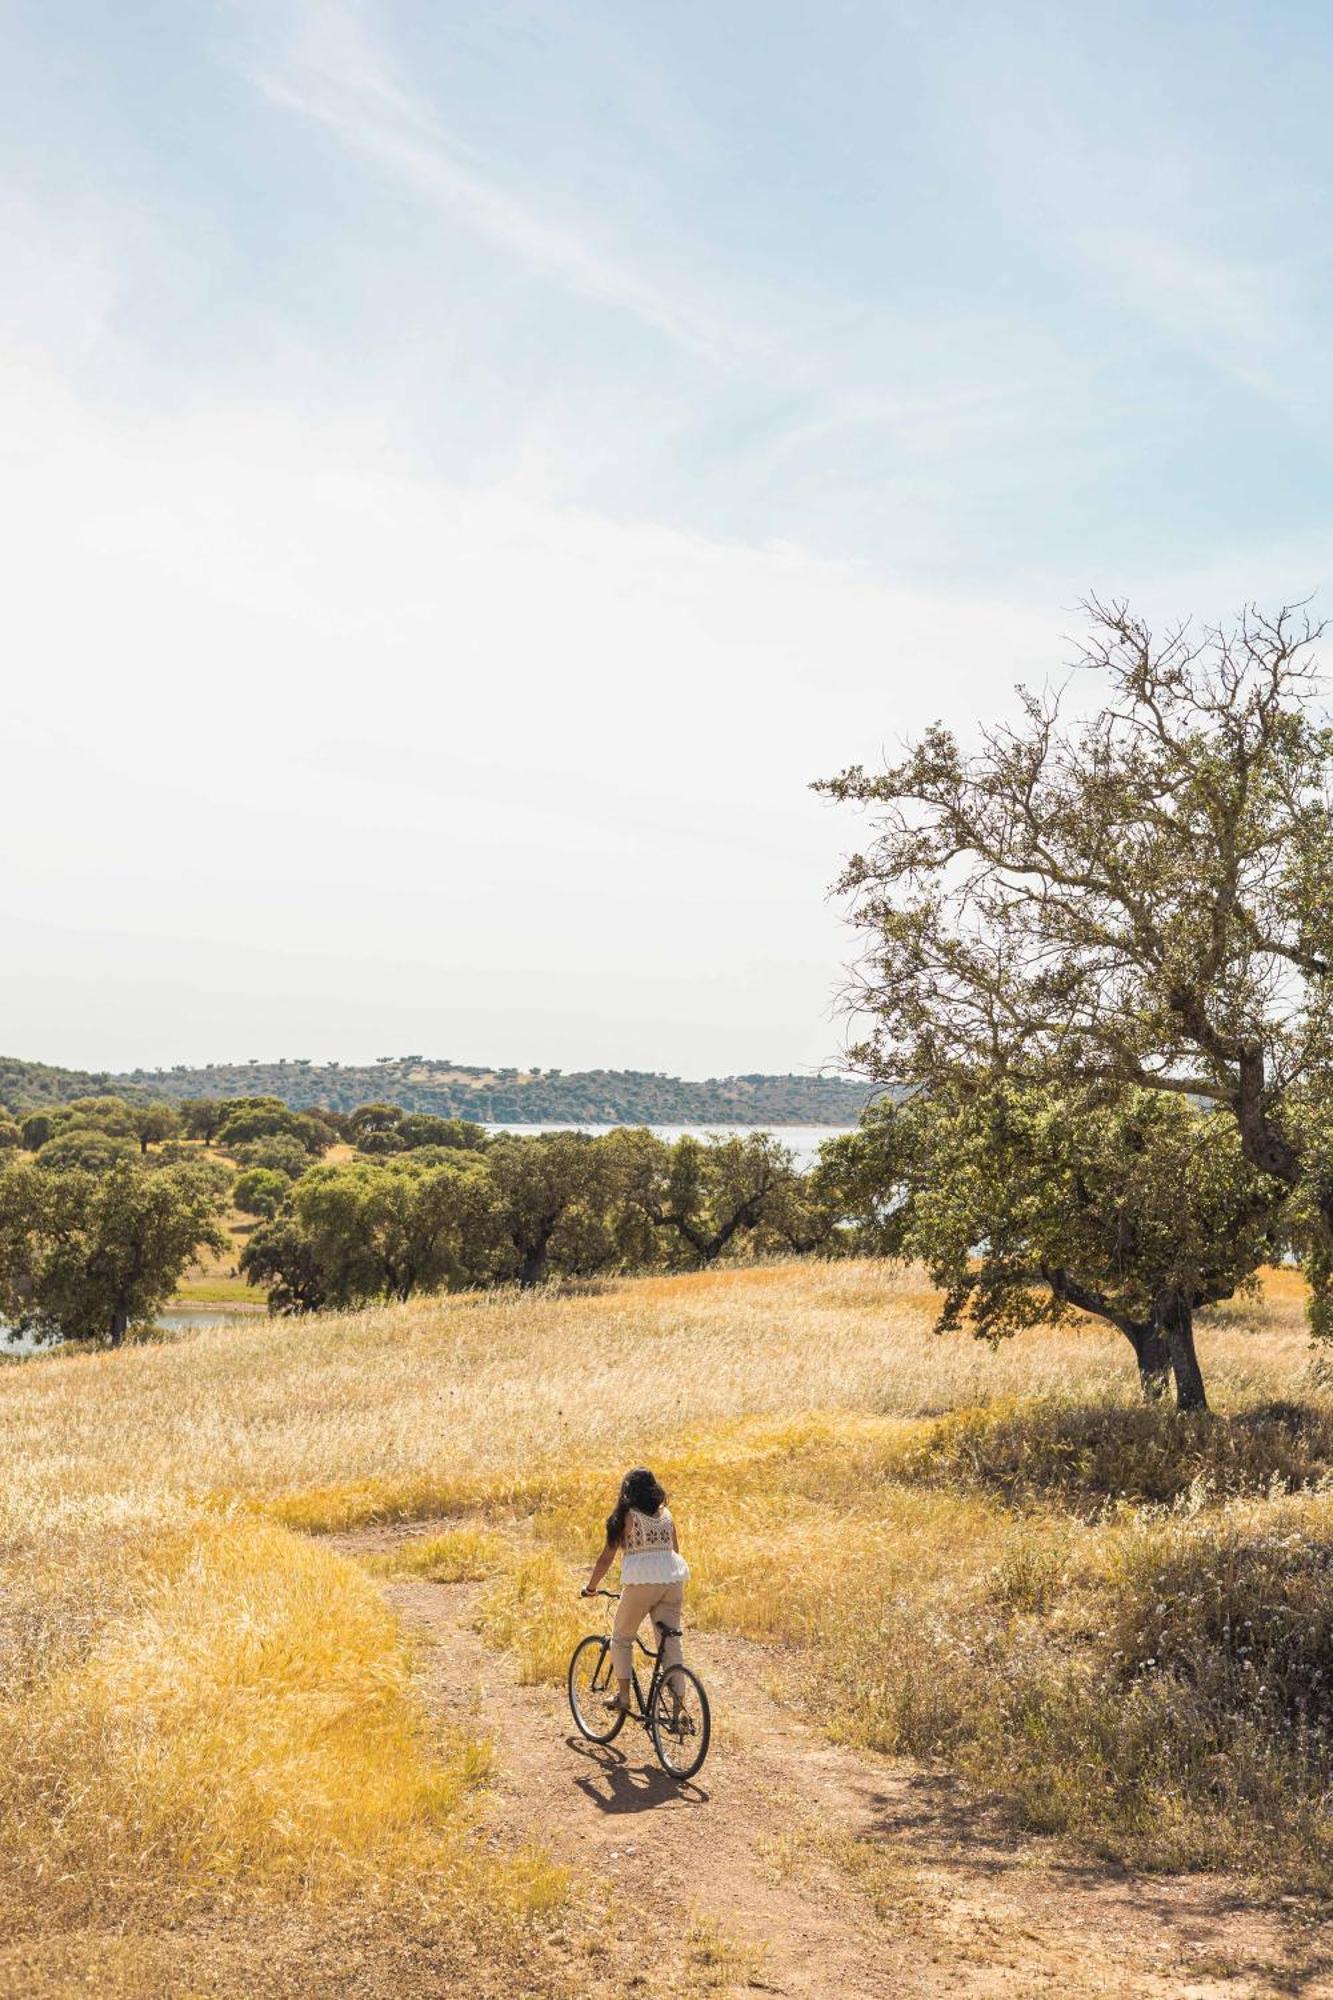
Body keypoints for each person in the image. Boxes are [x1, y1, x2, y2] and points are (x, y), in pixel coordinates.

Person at [581, 1466, 689, 1713]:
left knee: (621, 1637)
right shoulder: (666, 1515)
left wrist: (591, 1588)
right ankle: (678, 1710)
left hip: (642, 1584)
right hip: (673, 1582)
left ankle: (623, 1697)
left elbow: (605, 1559)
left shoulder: (626, 1517)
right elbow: (675, 1551)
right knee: (670, 1643)